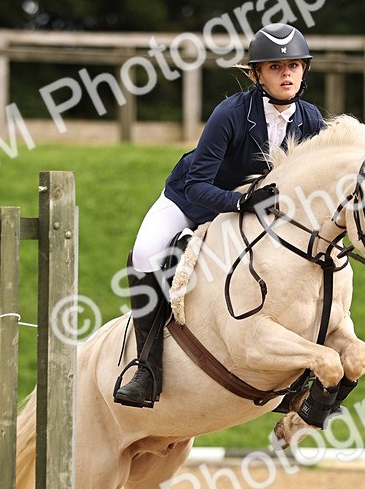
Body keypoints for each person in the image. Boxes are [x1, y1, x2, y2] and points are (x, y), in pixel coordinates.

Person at [113, 23, 326, 408]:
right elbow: (197, 185)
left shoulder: (310, 120)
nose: (287, 74)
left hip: (254, 212)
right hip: (193, 201)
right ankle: (146, 369)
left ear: (304, 70)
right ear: (255, 74)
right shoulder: (230, 113)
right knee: (145, 253)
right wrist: (243, 203)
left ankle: (301, 374)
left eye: (294, 65)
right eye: (276, 67)